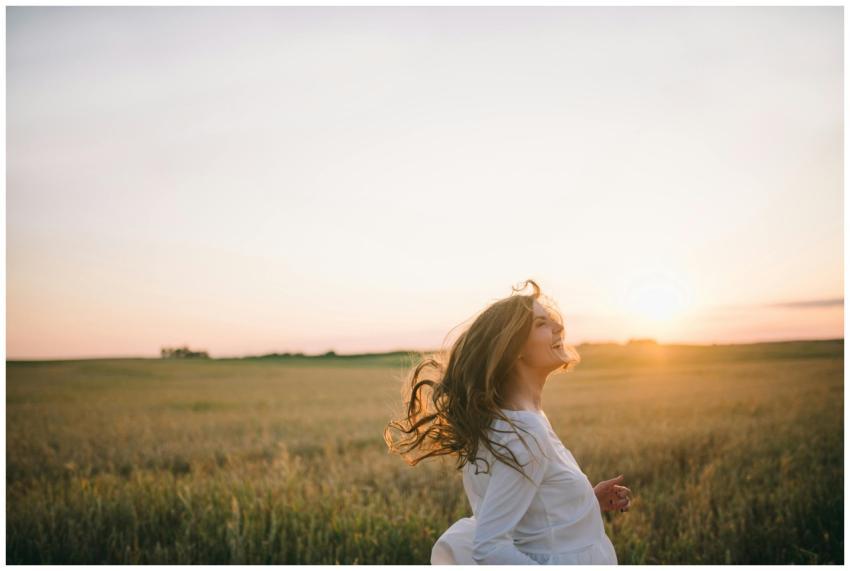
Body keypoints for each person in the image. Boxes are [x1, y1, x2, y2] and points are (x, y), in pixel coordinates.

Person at [384, 279, 631, 564]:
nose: (558, 327)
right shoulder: (524, 432)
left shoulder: (517, 420)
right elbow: (489, 547)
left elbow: (531, 519)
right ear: (514, 348)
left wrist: (585, 502)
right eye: (541, 324)